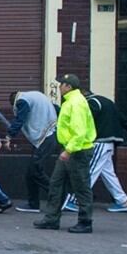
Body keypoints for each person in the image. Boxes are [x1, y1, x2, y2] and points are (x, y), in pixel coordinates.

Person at [34, 74, 97, 233]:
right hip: (70, 150)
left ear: (68, 86)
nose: (59, 87)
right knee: (56, 184)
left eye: (61, 84)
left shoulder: (76, 103)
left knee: (81, 186)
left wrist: (68, 150)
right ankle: (51, 219)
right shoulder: (71, 101)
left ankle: (85, 222)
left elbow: (79, 131)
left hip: (77, 151)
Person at [62, 91, 127, 213]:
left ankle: (76, 201)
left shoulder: (91, 103)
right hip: (109, 142)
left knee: (89, 171)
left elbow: (84, 121)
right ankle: (122, 201)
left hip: (100, 141)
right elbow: (121, 117)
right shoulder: (107, 102)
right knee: (108, 174)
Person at [2, 90, 58, 213]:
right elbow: (56, 109)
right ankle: (33, 204)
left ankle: (58, 197)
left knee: (35, 171)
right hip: (47, 137)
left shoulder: (22, 101)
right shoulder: (35, 96)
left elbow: (20, 119)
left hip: (45, 138)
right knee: (31, 173)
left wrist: (9, 136)